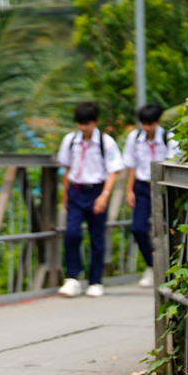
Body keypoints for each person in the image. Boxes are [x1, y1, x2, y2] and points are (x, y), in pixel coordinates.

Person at [55, 101, 123, 297]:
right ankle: (72, 277)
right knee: (72, 234)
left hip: (97, 191)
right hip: (76, 190)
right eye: (80, 123)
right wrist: (65, 194)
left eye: (87, 123)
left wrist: (105, 195)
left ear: (95, 122)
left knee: (96, 237)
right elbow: (67, 169)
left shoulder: (105, 142)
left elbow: (113, 171)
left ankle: (95, 280)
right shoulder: (70, 141)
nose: (84, 128)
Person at [122, 103, 179, 287]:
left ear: (158, 122)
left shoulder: (168, 138)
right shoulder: (135, 137)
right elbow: (131, 165)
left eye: (150, 124)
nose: (147, 128)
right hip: (142, 186)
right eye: (143, 124)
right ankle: (151, 265)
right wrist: (129, 190)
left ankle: (170, 268)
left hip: (163, 186)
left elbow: (173, 163)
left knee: (167, 228)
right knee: (138, 228)